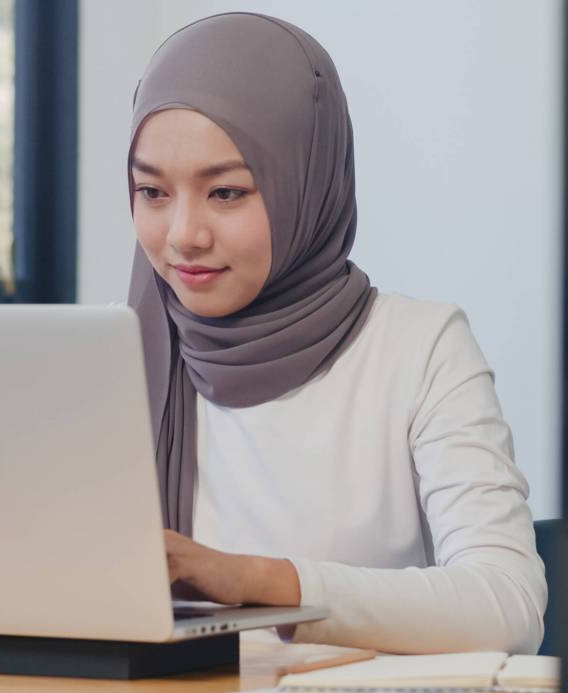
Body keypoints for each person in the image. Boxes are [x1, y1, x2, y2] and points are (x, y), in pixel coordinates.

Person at [125, 11, 546, 654]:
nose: (184, 234)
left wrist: (257, 580)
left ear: (309, 180)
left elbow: (507, 605)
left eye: (227, 192)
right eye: (152, 192)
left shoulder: (420, 349)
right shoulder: (121, 359)